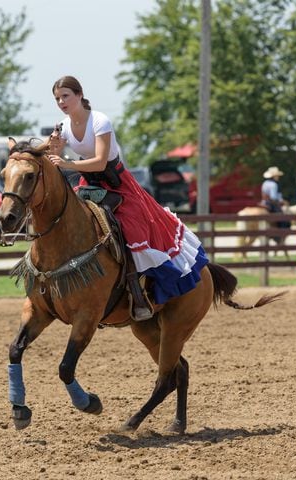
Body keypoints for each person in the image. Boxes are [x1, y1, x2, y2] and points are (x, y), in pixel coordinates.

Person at [46, 75, 209, 321]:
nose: (61, 102)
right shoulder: (63, 126)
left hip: (118, 184)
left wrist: (67, 163)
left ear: (79, 95)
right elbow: (55, 156)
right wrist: (55, 149)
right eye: (57, 98)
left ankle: (138, 291)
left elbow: (101, 161)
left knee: (132, 230)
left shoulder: (100, 121)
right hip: (87, 183)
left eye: (65, 96)